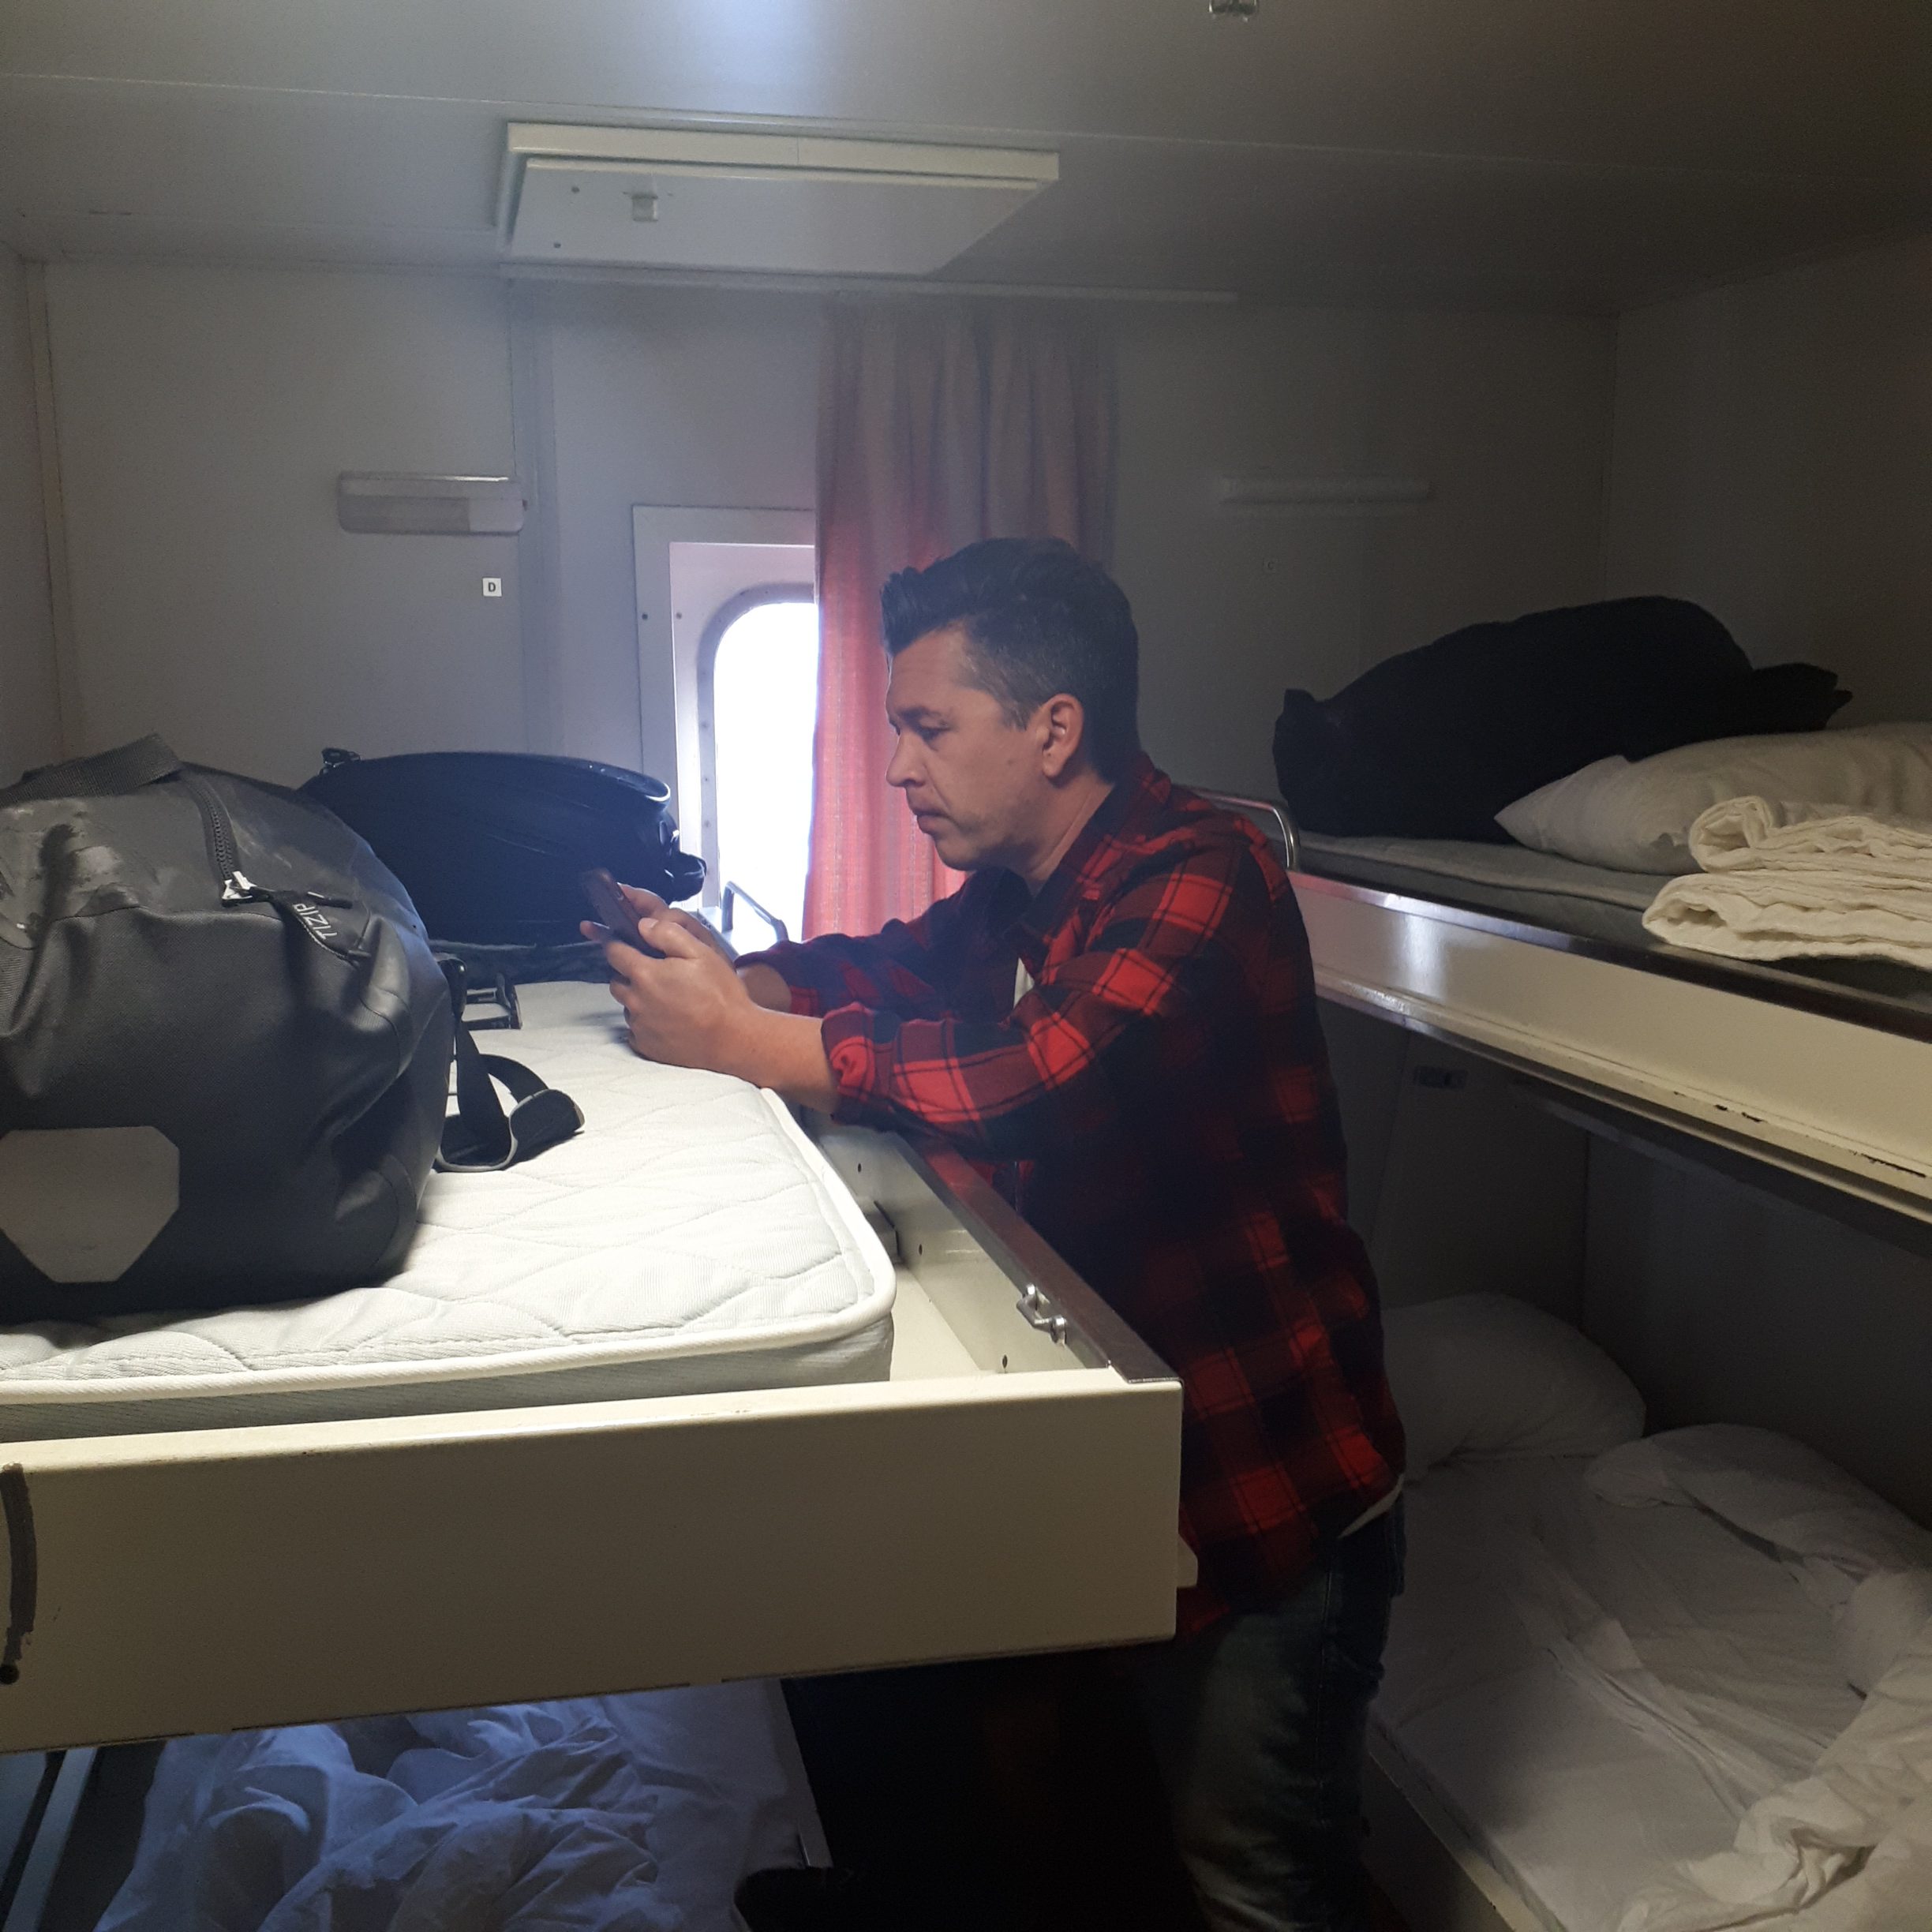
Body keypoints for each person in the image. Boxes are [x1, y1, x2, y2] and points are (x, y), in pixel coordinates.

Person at [591, 536, 1406, 1931]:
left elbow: (1046, 1078)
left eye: (928, 728)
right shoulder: (1031, 889)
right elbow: (896, 966)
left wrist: (736, 1038)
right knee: (1053, 1801)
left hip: (1265, 1476)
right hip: (1131, 1451)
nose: (898, 768)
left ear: (1053, 730)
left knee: (1253, 1883)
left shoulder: (1202, 870)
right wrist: (740, 977)